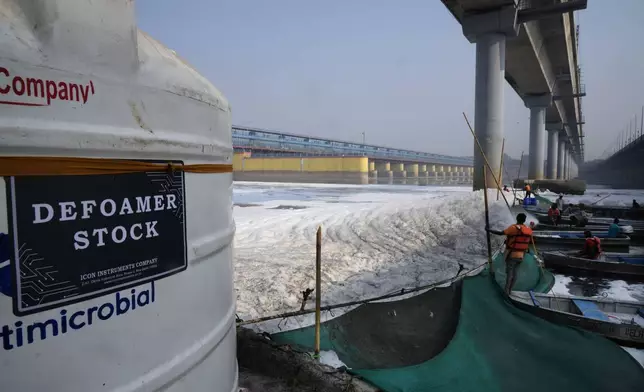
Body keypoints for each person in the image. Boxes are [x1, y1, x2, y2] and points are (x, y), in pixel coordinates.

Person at [486, 213, 533, 295]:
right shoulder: (528, 229)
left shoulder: (513, 228)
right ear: (524, 220)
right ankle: (510, 290)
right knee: (515, 274)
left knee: (510, 274)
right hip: (521, 255)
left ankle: (506, 292)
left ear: (517, 218)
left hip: (512, 254)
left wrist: (488, 230)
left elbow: (501, 233)